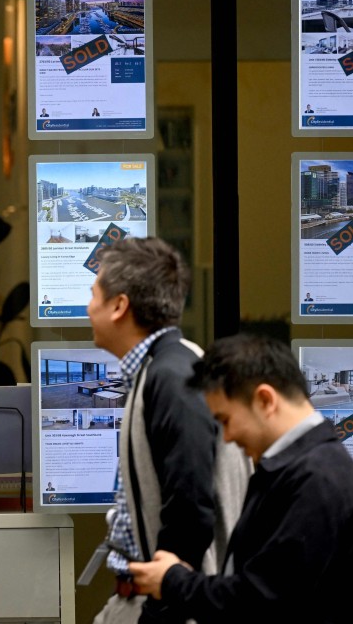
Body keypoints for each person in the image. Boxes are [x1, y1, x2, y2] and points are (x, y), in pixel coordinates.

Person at [128, 334, 353, 624]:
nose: (228, 437)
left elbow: (259, 600)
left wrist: (172, 580)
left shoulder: (317, 479)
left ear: (265, 400)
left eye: (226, 420)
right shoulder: (292, 469)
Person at [88, 238, 250, 624]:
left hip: (175, 608)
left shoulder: (172, 377)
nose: (88, 307)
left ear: (119, 306)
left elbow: (190, 509)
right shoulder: (163, 368)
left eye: (93, 294)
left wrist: (163, 607)